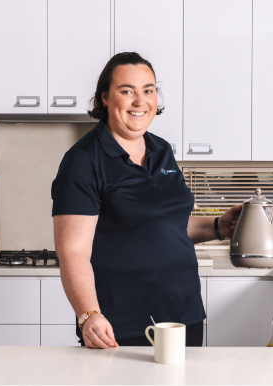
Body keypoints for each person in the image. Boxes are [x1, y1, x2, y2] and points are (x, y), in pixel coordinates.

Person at [51, 52, 242, 349]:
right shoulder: (84, 160)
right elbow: (72, 251)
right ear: (104, 98)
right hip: (120, 321)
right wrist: (88, 314)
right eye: (127, 91)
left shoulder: (161, 149)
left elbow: (164, 225)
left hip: (183, 313)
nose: (140, 101)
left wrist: (218, 226)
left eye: (148, 90)